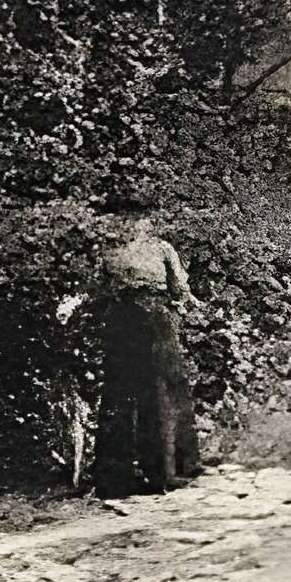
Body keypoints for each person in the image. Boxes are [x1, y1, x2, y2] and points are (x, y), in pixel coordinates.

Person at [89, 182, 200, 499]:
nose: (136, 223)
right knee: (119, 398)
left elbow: (181, 289)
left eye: (141, 216)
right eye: (129, 216)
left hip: (156, 326)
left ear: (149, 219)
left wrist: (192, 306)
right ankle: (115, 478)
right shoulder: (110, 252)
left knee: (159, 395)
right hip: (123, 327)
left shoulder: (163, 250)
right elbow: (100, 291)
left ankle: (161, 473)